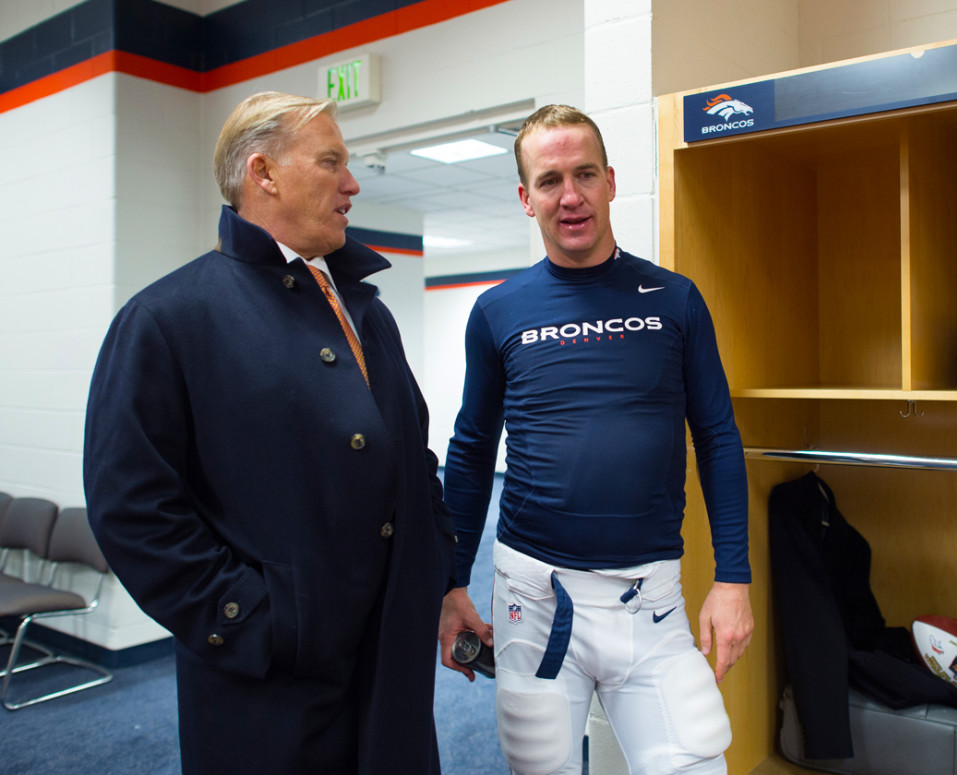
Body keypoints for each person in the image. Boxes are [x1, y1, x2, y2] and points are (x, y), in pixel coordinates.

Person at [83, 91, 456, 774]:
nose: (352, 183)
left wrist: (444, 583)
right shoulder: (167, 319)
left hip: (390, 673)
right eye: (331, 162)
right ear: (264, 174)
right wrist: (256, 619)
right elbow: (131, 510)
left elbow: (414, 459)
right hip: (270, 688)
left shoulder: (370, 314)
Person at [437, 104, 754, 775]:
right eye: (550, 180)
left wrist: (733, 577)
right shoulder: (499, 310)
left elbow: (719, 440)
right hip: (533, 599)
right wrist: (451, 582)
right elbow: (469, 451)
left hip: (653, 601)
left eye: (584, 174)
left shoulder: (676, 300)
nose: (570, 195)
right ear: (527, 198)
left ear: (611, 180)